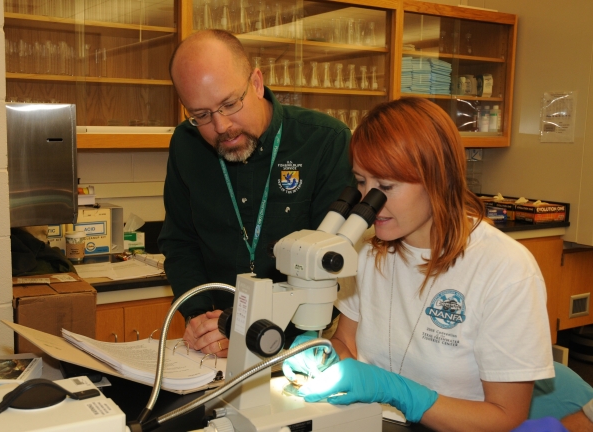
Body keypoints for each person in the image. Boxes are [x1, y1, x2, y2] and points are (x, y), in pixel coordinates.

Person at [283, 97, 555, 431]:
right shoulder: (365, 250)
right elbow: (346, 343)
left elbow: (506, 416)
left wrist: (401, 393)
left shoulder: (505, 269)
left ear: (438, 179)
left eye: (386, 186)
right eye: (361, 182)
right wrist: (322, 355)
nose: (369, 200)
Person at [158, 29, 353, 358]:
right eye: (201, 115)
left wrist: (258, 333)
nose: (221, 127)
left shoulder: (325, 141)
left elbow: (335, 261)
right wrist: (199, 318)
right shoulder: (185, 144)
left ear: (257, 83)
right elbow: (180, 244)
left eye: (229, 104)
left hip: (301, 339)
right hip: (214, 343)